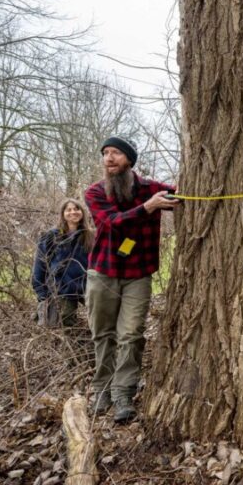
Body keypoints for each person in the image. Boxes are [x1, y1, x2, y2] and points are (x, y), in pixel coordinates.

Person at [84, 137, 179, 423]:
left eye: (116, 153)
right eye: (105, 153)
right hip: (103, 273)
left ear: (130, 160)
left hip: (138, 274)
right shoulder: (95, 192)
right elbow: (112, 222)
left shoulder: (151, 189)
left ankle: (123, 392)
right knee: (103, 334)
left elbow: (185, 194)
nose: (109, 159)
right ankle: (102, 388)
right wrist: (148, 208)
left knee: (131, 335)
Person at [31, 199, 93, 329]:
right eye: (68, 210)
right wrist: (41, 293)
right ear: (63, 214)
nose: (73, 212)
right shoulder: (51, 236)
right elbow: (40, 265)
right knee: (63, 324)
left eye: (76, 209)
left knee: (103, 317)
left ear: (82, 212)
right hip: (62, 288)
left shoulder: (91, 235)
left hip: (88, 287)